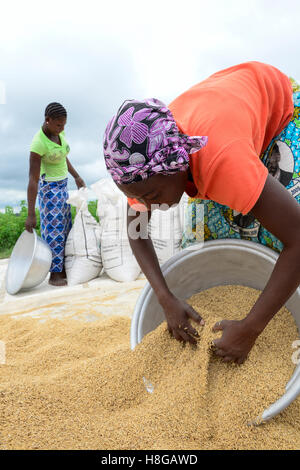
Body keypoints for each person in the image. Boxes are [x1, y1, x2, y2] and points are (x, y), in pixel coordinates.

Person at [102, 61, 300, 364]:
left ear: (178, 163)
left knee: (273, 236)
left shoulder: (222, 160)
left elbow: (298, 238)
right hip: (225, 114)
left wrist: (250, 329)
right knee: (200, 238)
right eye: (137, 198)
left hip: (278, 106)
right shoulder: (141, 169)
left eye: (153, 196)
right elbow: (137, 231)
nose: (148, 206)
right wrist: (165, 298)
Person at [26, 102, 86, 286]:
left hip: (63, 186)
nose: (62, 128)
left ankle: (64, 267)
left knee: (66, 227)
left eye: (64, 125)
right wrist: (30, 213)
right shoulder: (38, 144)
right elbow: (32, 180)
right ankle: (55, 273)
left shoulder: (59, 133)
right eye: (59, 125)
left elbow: (62, 156)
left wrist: (76, 176)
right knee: (54, 231)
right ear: (47, 120)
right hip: (49, 190)